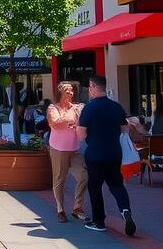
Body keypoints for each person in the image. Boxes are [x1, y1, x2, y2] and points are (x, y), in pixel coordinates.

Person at [77, 76, 135, 236]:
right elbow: (125, 129)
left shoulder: (89, 108)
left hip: (95, 154)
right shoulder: (116, 107)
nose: (89, 90)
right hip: (114, 153)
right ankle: (125, 210)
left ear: (94, 87)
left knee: (95, 187)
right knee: (117, 184)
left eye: (89, 87)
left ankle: (99, 221)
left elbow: (80, 135)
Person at [46, 81, 87, 223]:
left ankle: (77, 207)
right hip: (58, 149)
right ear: (60, 93)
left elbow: (81, 122)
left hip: (74, 148)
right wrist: (70, 119)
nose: (70, 92)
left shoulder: (76, 108)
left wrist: (73, 121)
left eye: (72, 90)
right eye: (67, 90)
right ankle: (60, 209)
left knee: (84, 176)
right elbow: (54, 123)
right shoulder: (53, 107)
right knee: (59, 180)